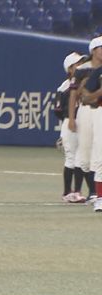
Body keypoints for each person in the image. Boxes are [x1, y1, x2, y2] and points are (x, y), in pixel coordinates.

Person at [69, 36, 102, 203]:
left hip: (100, 110)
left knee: (99, 150)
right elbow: (74, 94)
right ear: (94, 50)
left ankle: (95, 193)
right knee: (85, 150)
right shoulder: (82, 69)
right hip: (86, 109)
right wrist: (71, 117)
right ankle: (93, 191)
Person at [55, 52, 88, 203]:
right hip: (70, 124)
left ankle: (77, 192)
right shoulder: (64, 87)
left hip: (83, 123)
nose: (81, 66)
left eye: (82, 63)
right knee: (71, 159)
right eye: (77, 64)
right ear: (69, 69)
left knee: (81, 159)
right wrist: (68, 123)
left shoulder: (85, 83)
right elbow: (58, 110)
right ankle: (68, 192)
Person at [80, 36, 102, 212]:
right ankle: (100, 198)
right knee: (100, 157)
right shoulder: (98, 72)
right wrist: (100, 92)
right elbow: (85, 98)